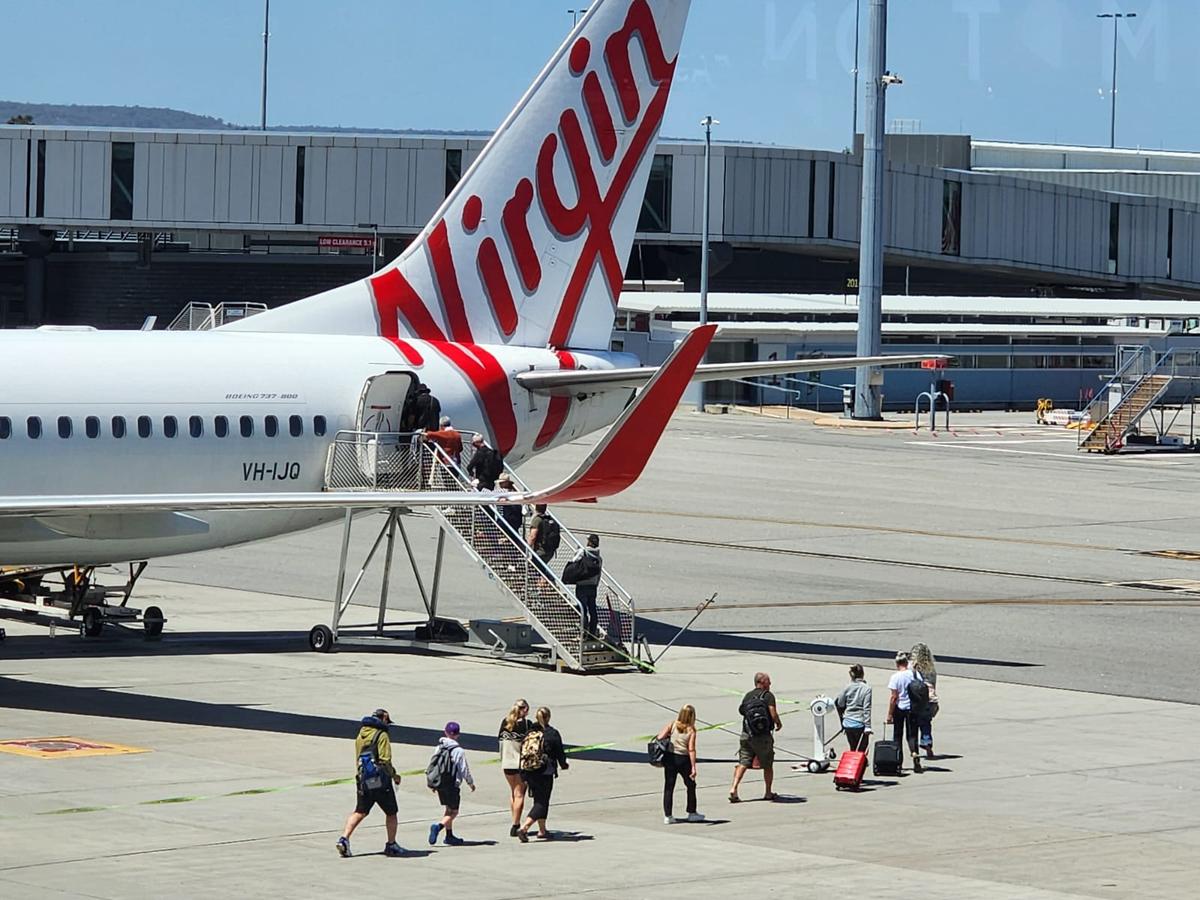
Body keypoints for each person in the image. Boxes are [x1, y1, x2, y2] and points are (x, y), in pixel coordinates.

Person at [337, 708, 403, 858]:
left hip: (363, 780)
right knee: (391, 813)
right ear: (384, 719)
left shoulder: (361, 734)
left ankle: (344, 839)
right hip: (380, 782)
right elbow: (385, 760)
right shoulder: (382, 735)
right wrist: (394, 775)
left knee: (360, 811)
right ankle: (391, 844)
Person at [517, 706, 569, 842]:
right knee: (542, 802)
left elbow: (523, 751)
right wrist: (563, 765)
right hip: (545, 771)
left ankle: (542, 830)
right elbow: (559, 752)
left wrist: (523, 774)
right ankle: (524, 827)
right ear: (548, 717)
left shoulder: (530, 732)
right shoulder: (551, 733)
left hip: (529, 771)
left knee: (538, 800)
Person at [729, 672, 783, 803]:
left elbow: (742, 711)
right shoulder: (768, 696)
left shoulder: (747, 696)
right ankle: (768, 792)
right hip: (762, 736)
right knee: (768, 764)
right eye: (768, 681)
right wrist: (778, 723)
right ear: (762, 682)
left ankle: (734, 788)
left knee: (743, 763)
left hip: (746, 734)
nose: (770, 684)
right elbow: (773, 713)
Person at [428, 721, 476, 846]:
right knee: (454, 811)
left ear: (445, 732)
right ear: (458, 734)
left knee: (448, 809)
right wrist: (470, 782)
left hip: (440, 783)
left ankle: (449, 836)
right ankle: (438, 827)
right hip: (452, 784)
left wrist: (433, 783)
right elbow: (464, 769)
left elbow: (433, 765)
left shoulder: (439, 747)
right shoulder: (458, 750)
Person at [657, 704, 704, 824]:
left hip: (670, 758)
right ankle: (692, 812)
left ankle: (668, 816)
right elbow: (691, 749)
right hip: (684, 760)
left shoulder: (673, 724)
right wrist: (693, 767)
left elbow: (660, 736)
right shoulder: (691, 730)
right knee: (690, 785)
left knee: (669, 787)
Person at [498, 699, 532, 837]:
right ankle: (516, 824)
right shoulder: (526, 725)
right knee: (520, 794)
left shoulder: (505, 722)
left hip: (506, 763)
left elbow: (499, 741)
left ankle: (514, 819)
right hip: (518, 764)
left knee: (513, 792)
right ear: (524, 710)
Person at [886, 651, 922, 773]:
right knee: (912, 735)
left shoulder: (895, 677)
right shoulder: (914, 674)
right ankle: (914, 752)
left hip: (899, 708)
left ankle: (898, 762)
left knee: (897, 735)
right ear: (907, 663)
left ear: (897, 664)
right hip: (913, 708)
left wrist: (890, 714)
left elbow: (894, 697)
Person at [911, 642, 939, 759]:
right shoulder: (932, 669)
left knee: (914, 724)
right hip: (932, 699)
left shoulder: (916, 668)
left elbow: (913, 681)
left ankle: (914, 748)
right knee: (926, 723)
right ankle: (927, 743)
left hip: (920, 699)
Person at [835, 664, 873, 753]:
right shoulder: (867, 689)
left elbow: (840, 703)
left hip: (848, 722)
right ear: (862, 674)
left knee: (853, 748)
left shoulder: (847, 687)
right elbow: (866, 708)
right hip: (860, 722)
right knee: (862, 751)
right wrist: (868, 726)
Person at [571, 534, 603, 638]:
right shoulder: (598, 558)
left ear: (589, 542)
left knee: (582, 609)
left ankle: (584, 632)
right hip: (593, 586)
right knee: (592, 609)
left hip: (582, 584)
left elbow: (574, 561)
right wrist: (596, 584)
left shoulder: (583, 552)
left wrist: (577, 551)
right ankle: (592, 632)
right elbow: (599, 574)